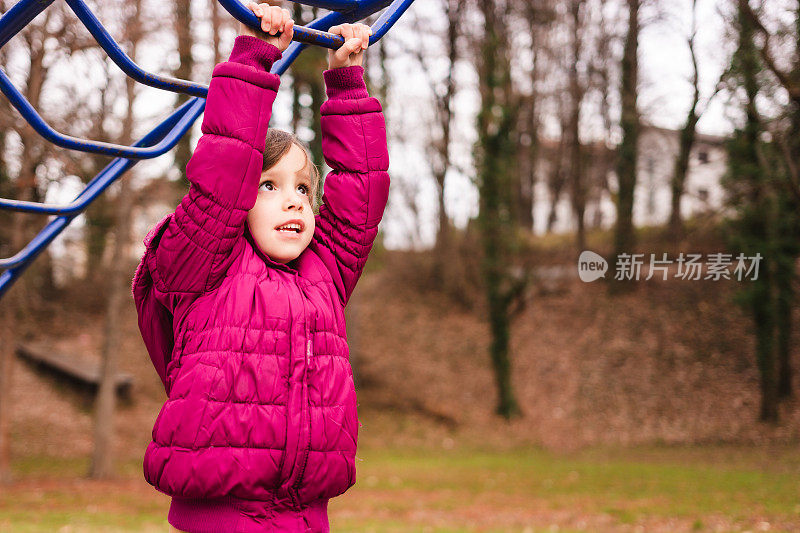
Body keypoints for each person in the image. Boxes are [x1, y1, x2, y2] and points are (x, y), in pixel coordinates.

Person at [131, 2, 390, 531]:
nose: (294, 201)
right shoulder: (203, 266)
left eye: (303, 189)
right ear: (243, 197)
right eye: (269, 186)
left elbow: (361, 190)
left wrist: (347, 82)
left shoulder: (326, 274)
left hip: (305, 515)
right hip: (223, 515)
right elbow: (225, 172)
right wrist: (255, 59)